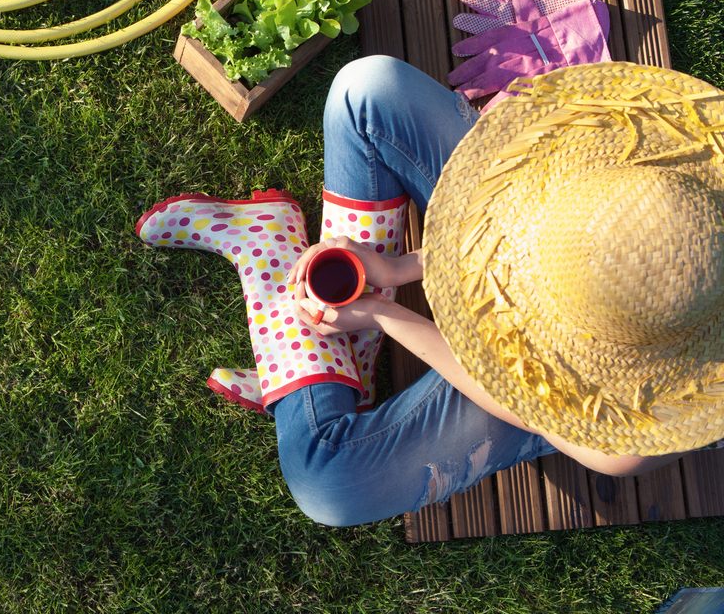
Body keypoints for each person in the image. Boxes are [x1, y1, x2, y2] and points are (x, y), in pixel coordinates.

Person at [137, 56, 724, 527]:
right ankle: (323, 358)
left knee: (328, 484)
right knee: (366, 90)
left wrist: (388, 317)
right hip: (535, 223)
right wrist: (400, 270)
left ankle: (267, 261)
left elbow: (531, 408)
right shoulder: (676, 208)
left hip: (555, 390)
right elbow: (530, 219)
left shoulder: (648, 415)